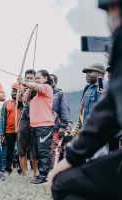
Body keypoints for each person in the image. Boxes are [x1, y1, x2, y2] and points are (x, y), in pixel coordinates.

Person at [49, 1, 122, 199]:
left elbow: (105, 108)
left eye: (89, 71)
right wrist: (77, 130)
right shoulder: (87, 88)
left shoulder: (99, 85)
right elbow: (83, 112)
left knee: (95, 160)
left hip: (100, 133)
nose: (86, 74)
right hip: (89, 130)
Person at [17, 69, 54, 184]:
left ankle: (44, 177)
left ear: (46, 79)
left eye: (38, 78)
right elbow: (24, 100)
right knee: (38, 152)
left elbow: (37, 87)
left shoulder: (47, 88)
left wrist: (24, 82)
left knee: (44, 152)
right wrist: (27, 86)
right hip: (35, 126)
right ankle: (41, 175)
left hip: (45, 125)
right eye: (36, 78)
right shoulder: (36, 94)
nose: (36, 80)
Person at [17, 69, 38, 177]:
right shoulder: (23, 89)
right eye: (27, 78)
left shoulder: (38, 88)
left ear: (35, 79)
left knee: (35, 151)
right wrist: (24, 86)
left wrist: (29, 85)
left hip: (36, 121)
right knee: (21, 149)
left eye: (31, 78)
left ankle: (35, 173)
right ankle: (24, 174)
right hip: (24, 121)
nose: (29, 80)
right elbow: (24, 100)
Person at [0, 83, 23, 174]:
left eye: (16, 91)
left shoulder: (23, 103)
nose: (14, 93)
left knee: (21, 150)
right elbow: (2, 118)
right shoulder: (6, 103)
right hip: (9, 131)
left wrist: (20, 100)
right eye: (13, 91)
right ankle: (7, 168)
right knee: (8, 151)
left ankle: (21, 169)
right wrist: (1, 132)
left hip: (20, 131)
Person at [49, 74, 70, 167]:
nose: (49, 82)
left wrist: (63, 126)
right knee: (47, 151)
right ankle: (48, 171)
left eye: (51, 80)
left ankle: (55, 171)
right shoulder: (44, 93)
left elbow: (65, 110)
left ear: (55, 82)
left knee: (55, 150)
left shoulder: (60, 94)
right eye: (47, 81)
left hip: (56, 128)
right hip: (45, 128)